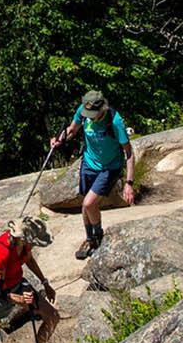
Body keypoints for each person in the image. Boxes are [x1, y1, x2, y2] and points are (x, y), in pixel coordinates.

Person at [52, 90, 135, 260]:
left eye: (92, 114)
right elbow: (72, 130)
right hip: (89, 163)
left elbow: (129, 152)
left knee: (89, 203)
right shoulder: (83, 112)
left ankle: (98, 235)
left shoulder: (114, 121)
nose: (88, 117)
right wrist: (60, 139)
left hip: (109, 167)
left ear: (102, 109)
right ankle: (90, 240)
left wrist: (129, 183)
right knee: (85, 205)